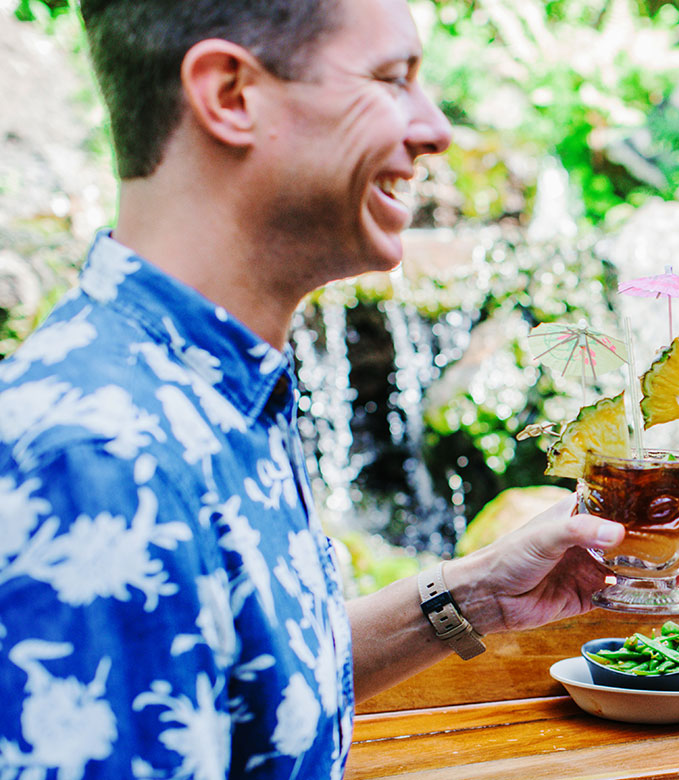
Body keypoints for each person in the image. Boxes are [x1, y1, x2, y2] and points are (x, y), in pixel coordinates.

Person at [0, 0, 624, 777]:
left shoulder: (215, 387)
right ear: (231, 95)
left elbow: (252, 696)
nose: (436, 129)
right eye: (392, 79)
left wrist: (472, 596)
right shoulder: (98, 462)